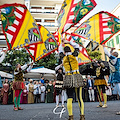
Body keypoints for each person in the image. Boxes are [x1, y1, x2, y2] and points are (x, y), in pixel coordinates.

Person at [59, 39, 84, 120]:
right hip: (76, 76)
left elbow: (59, 49)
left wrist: (62, 43)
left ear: (64, 51)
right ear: (70, 50)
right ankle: (82, 116)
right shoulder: (75, 55)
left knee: (69, 97)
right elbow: (77, 46)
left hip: (68, 77)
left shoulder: (63, 57)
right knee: (79, 98)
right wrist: (69, 42)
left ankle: (71, 116)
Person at [103, 45, 120, 114]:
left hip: (116, 77)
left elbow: (108, 54)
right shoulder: (117, 60)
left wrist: (104, 47)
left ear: (114, 55)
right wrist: (111, 50)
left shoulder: (114, 59)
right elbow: (109, 56)